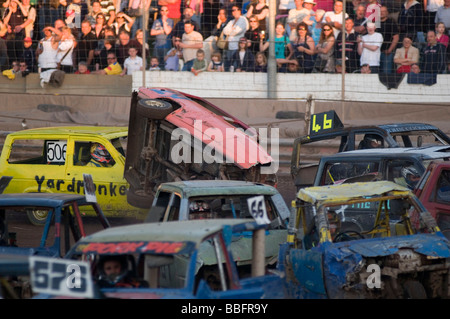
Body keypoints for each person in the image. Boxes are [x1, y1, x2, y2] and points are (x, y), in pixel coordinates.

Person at [222, 5, 249, 71]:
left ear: (239, 11)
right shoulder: (231, 21)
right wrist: (233, 29)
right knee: (229, 65)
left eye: (236, 10)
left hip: (238, 47)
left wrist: (231, 30)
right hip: (230, 46)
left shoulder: (243, 19)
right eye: (233, 10)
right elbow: (225, 31)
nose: (234, 12)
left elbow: (238, 31)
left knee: (236, 65)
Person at [150, 6, 173, 70]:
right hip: (157, 45)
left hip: (166, 46)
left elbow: (168, 31)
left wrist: (164, 21)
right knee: (156, 63)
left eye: (166, 10)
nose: (164, 12)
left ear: (168, 12)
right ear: (160, 12)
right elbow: (152, 32)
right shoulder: (156, 21)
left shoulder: (170, 21)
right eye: (162, 10)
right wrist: (162, 31)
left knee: (165, 64)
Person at [378, 6, 399, 74]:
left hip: (386, 52)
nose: (381, 13)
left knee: (386, 73)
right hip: (375, 53)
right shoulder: (375, 23)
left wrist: (390, 50)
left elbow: (396, 38)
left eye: (383, 11)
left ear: (387, 13)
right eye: (380, 11)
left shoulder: (391, 23)